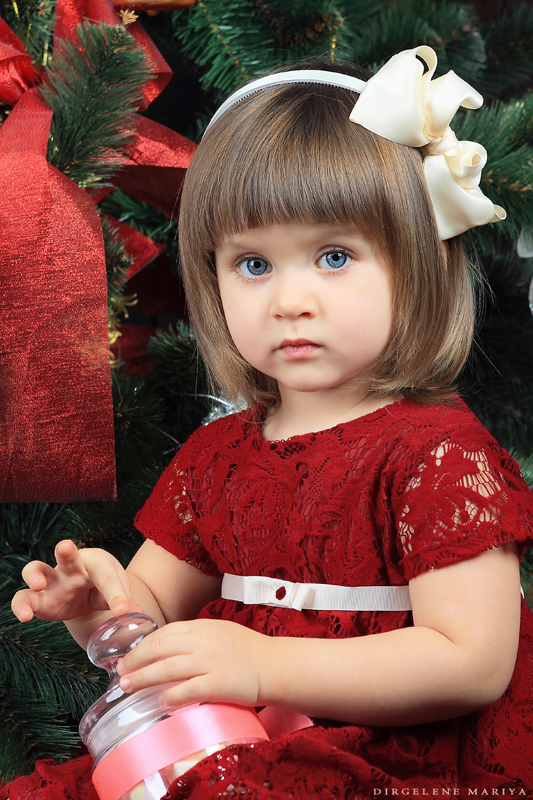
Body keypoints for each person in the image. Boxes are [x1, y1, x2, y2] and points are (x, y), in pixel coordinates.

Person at [7, 45, 533, 800]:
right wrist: (99, 611)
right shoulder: (219, 454)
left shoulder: (437, 454)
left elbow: (471, 662)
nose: (289, 301)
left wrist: (261, 665)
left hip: (393, 760)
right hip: (232, 745)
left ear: (416, 264)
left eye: (333, 256)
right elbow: (152, 616)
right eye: (253, 265)